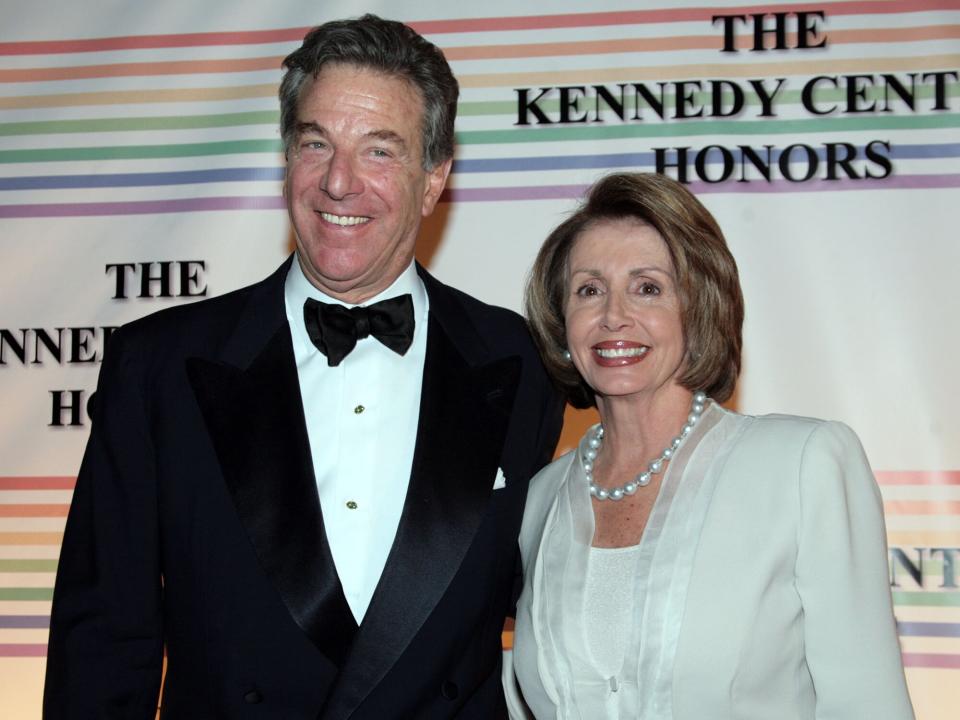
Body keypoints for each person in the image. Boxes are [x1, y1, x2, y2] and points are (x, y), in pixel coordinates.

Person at [44, 15, 563, 718]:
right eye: (316, 143)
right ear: (287, 156)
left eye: (380, 152)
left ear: (434, 178)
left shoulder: (522, 363)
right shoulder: (158, 367)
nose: (339, 183)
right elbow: (104, 639)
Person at [506, 172, 914, 719]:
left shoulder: (801, 465)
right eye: (589, 290)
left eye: (648, 287)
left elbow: (867, 706)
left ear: (698, 307)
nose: (613, 316)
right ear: (562, 321)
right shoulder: (538, 500)